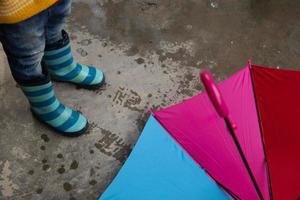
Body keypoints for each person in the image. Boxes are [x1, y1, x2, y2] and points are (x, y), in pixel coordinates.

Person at [0, 0, 105, 136]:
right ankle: (44, 107)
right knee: (28, 54)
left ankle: (62, 68)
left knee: (55, 26)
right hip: (16, 6)